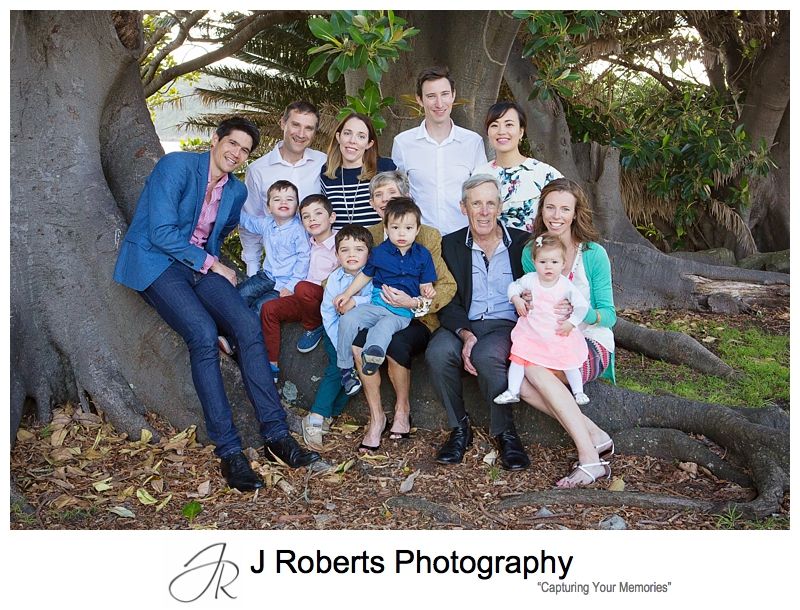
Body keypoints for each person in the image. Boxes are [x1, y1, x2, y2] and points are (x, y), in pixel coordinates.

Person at [113, 117, 320, 492]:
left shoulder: (236, 191)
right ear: (215, 139)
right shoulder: (176, 166)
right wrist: (213, 264)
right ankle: (230, 452)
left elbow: (217, 232)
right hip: (155, 262)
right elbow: (160, 232)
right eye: (233, 144)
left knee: (247, 326)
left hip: (198, 265)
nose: (236, 153)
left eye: (244, 151)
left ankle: (276, 435)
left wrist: (210, 263)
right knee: (204, 335)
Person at [425, 174, 531, 471]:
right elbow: (446, 298)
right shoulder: (450, 245)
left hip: (506, 326)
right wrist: (466, 334)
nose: (483, 211)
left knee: (487, 356)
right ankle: (460, 428)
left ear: (500, 207)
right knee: (438, 353)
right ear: (463, 207)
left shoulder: (522, 244)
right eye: (476, 204)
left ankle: (506, 433)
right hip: (463, 323)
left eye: (490, 204)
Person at [517, 177, 617, 488]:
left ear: (575, 213)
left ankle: (589, 458)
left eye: (564, 209)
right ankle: (595, 434)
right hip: (547, 340)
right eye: (550, 207)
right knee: (519, 380)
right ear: (541, 210)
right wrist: (526, 301)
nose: (556, 215)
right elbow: (531, 298)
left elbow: (609, 316)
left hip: (590, 341)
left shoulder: (593, 254)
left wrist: (580, 312)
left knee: (530, 369)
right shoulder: (530, 252)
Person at [349, 171, 457, 450]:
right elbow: (346, 269)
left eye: (392, 195)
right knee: (359, 344)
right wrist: (346, 296)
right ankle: (376, 417)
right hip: (377, 310)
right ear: (373, 204)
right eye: (378, 195)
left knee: (396, 343)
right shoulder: (369, 236)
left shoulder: (426, 236)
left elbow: (446, 285)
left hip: (416, 318)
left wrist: (414, 302)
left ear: (406, 200)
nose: (385, 201)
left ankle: (402, 409)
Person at [334, 199, 437, 410]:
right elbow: (365, 275)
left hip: (401, 311)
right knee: (349, 319)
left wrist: (426, 292)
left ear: (417, 230)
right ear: (386, 228)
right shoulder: (379, 252)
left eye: (408, 228)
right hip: (377, 304)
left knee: (385, 327)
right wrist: (346, 293)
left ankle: (373, 357)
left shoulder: (423, 256)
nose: (401, 234)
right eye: (395, 228)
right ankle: (345, 369)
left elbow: (426, 285)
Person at [493, 232, 592, 407]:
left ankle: (578, 391)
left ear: (563, 264)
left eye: (554, 262)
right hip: (532, 331)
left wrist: (572, 322)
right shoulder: (530, 280)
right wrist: (516, 299)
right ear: (535, 262)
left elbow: (582, 306)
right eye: (543, 262)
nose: (548, 267)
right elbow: (513, 286)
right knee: (518, 356)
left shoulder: (565, 285)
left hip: (557, 331)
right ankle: (512, 390)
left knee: (568, 361)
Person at [302, 225, 375, 450]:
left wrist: (356, 302)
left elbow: (376, 301)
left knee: (355, 375)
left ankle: (330, 412)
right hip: (336, 333)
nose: (351, 255)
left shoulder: (374, 278)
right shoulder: (334, 279)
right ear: (336, 254)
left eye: (358, 249)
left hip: (365, 335)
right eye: (345, 250)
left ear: (369, 254)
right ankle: (315, 417)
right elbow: (327, 312)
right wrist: (338, 343)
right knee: (338, 367)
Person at [391, 66, 487, 235]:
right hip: (420, 238)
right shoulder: (402, 143)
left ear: (453, 95)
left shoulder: (472, 142)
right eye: (431, 96)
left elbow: (482, 192)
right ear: (419, 100)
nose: (439, 103)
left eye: (444, 94)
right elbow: (400, 195)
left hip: (464, 236)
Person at [240, 101, 326, 277]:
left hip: (322, 268)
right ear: (283, 123)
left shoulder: (324, 163)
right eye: (295, 125)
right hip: (278, 271)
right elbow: (251, 222)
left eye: (309, 128)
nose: (301, 134)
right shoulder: (258, 170)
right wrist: (253, 272)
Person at [259, 194, 338, 384]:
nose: (312, 219)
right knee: (269, 308)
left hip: (326, 299)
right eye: (306, 216)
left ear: (332, 217)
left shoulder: (340, 243)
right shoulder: (306, 243)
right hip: (303, 299)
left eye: (318, 213)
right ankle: (271, 365)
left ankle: (314, 326)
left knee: (303, 287)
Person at [474, 101, 563, 232]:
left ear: (521, 131)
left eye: (509, 124)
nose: (501, 131)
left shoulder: (545, 174)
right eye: (494, 125)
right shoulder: (479, 175)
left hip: (534, 250)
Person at [237, 179, 310, 316]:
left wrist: (291, 285)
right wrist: (230, 209)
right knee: (240, 294)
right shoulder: (267, 224)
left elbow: (304, 258)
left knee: (261, 308)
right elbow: (248, 221)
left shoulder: (299, 230)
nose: (283, 202)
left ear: (297, 206)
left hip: (286, 282)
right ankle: (224, 328)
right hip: (266, 276)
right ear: (269, 207)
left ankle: (245, 334)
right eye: (277, 199)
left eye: (289, 199)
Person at [321, 112, 396, 229]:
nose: (352, 140)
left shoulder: (386, 168)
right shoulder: (326, 173)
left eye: (361, 136)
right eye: (347, 133)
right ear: (338, 137)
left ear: (369, 144)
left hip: (378, 245)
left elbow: (402, 210)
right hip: (341, 246)